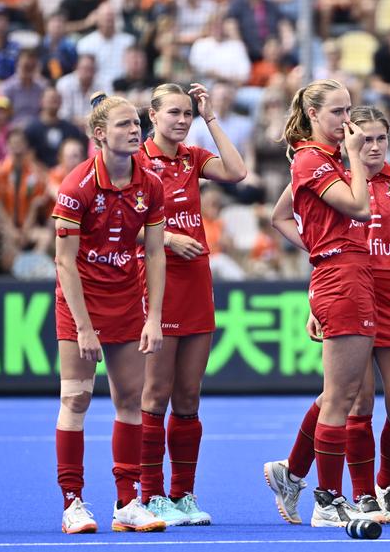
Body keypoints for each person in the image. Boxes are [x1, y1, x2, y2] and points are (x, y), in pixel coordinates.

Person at [266, 105, 390, 525]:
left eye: (380, 139)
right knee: (352, 401)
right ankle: (354, 495)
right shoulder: (328, 168)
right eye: (364, 137)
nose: (371, 146)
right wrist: (319, 262)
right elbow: (283, 216)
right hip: (348, 287)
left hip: (388, 296)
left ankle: (300, 472)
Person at [52, 92, 167, 534]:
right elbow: (64, 262)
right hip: (79, 303)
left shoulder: (150, 184)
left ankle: (127, 502)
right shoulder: (76, 186)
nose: (135, 129)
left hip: (125, 303)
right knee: (75, 399)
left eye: (136, 123)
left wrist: (154, 317)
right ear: (99, 134)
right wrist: (83, 328)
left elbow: (155, 255)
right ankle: (73, 503)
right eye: (123, 125)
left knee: (129, 402)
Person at [263, 79, 376, 527]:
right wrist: (356, 159)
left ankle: (291, 474)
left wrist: (318, 250)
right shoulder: (313, 158)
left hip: (345, 271)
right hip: (343, 277)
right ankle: (327, 501)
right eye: (337, 112)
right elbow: (360, 208)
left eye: (349, 110)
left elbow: (279, 216)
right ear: (313, 115)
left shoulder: (318, 158)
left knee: (337, 392)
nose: (347, 121)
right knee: (341, 398)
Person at [137, 82, 247, 527]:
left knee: (188, 397)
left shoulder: (192, 156)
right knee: (155, 394)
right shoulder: (134, 160)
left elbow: (237, 172)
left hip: (197, 285)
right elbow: (115, 224)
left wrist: (210, 116)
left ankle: (183, 495)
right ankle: (151, 495)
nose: (182, 121)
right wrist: (164, 239)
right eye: (174, 113)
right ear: (153, 115)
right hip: (154, 288)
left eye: (187, 113)